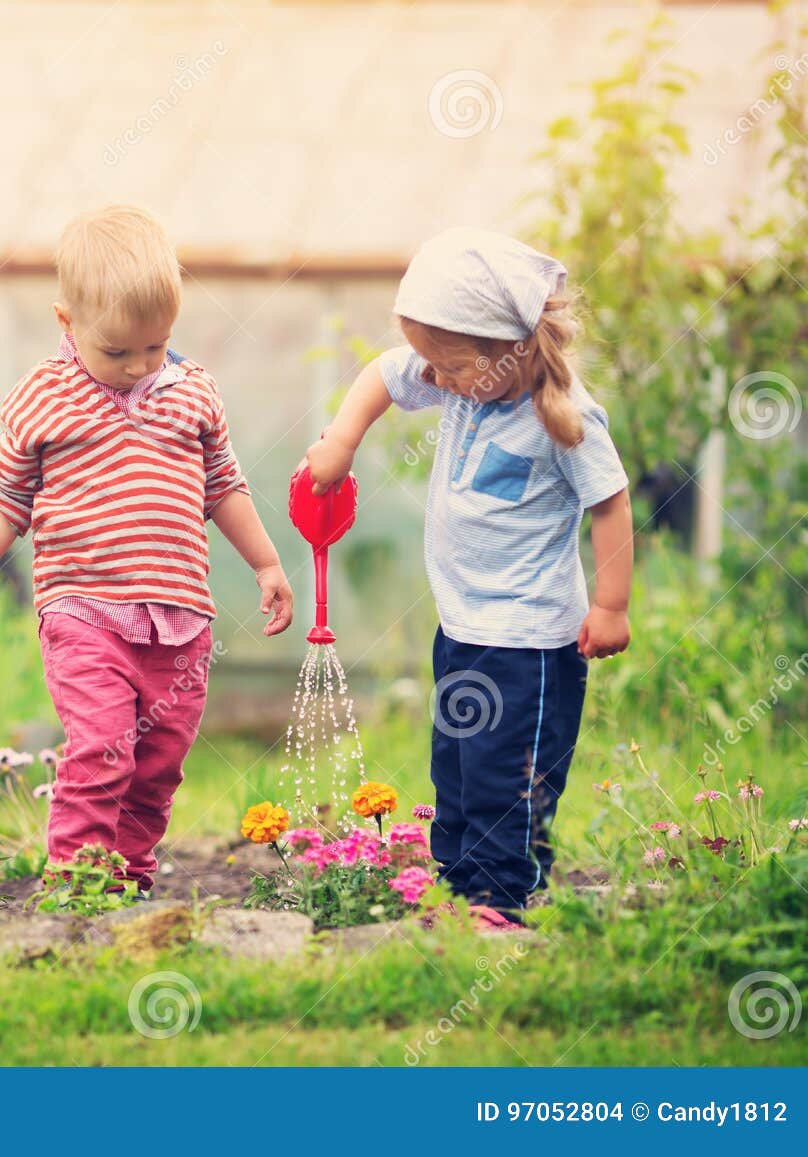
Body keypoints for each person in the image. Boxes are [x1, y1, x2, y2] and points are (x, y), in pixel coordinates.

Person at [0, 204, 292, 896]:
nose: (137, 365)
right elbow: (5, 502)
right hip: (83, 610)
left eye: (154, 347)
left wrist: (266, 562)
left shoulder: (194, 394)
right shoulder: (44, 397)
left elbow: (225, 487)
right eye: (116, 351)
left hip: (180, 619)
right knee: (103, 746)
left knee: (158, 761)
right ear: (68, 322)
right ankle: (77, 881)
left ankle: (131, 875)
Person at [305, 227, 633, 929]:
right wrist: (339, 442)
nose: (436, 379)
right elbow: (381, 376)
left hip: (531, 640)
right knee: (456, 766)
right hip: (464, 628)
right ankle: (460, 886)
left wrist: (611, 604)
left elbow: (611, 501)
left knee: (506, 775)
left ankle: (503, 898)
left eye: (450, 367)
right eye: (434, 365)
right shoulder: (461, 377)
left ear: (506, 349)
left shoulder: (565, 415)